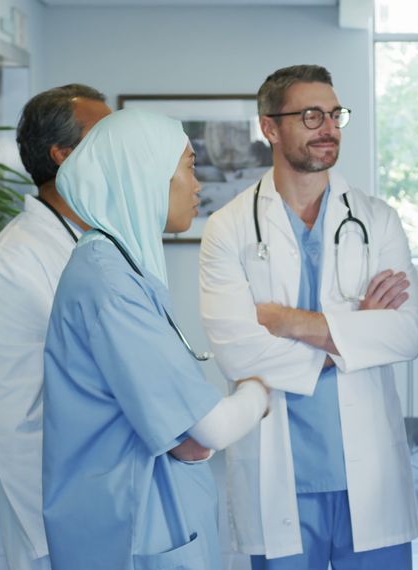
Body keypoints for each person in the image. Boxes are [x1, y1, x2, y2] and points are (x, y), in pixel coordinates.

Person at [199, 64, 418, 568]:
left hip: (369, 476)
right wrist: (354, 332)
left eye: (335, 114)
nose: (329, 127)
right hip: (278, 473)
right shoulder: (228, 228)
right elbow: (237, 352)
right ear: (270, 127)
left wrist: (289, 322)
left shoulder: (376, 218)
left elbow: (406, 334)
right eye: (311, 115)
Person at [41, 109, 270, 569]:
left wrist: (187, 430)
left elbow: (190, 435)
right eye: (188, 166)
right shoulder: (108, 283)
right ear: (147, 175)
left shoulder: (119, 267)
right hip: (127, 528)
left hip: (149, 517)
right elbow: (212, 430)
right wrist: (257, 390)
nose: (198, 184)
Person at [0, 84, 112, 570]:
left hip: (112, 496)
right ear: (63, 156)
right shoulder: (9, 267)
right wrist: (53, 533)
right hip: (62, 522)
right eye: (106, 137)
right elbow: (12, 423)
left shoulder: (100, 241)